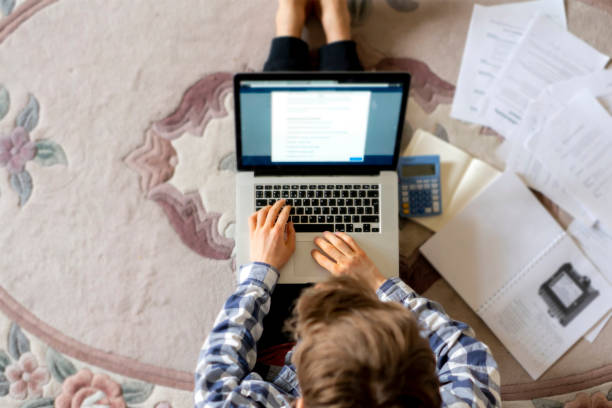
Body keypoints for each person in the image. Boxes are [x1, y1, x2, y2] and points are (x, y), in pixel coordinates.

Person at [195, 1, 500, 407]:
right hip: (368, 313)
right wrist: (377, 284)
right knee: (351, 157)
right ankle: (337, 33)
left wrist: (259, 274)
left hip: (272, 344)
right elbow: (469, 357)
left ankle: (290, 30)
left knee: (282, 150)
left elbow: (216, 379)